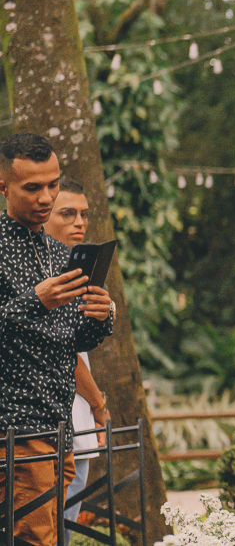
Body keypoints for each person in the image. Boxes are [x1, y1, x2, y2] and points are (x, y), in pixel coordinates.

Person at [0, 133, 114, 546]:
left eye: (53, 184)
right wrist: (35, 300)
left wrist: (100, 316)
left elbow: (71, 339)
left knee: (53, 537)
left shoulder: (59, 252)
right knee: (33, 539)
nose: (46, 197)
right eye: (33, 187)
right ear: (3, 187)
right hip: (15, 427)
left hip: (60, 425)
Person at [46, 178, 109, 544]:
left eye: (84, 214)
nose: (79, 223)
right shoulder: (48, 277)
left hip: (75, 424)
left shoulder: (72, 272)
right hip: (57, 427)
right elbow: (66, 357)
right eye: (67, 214)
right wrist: (99, 405)